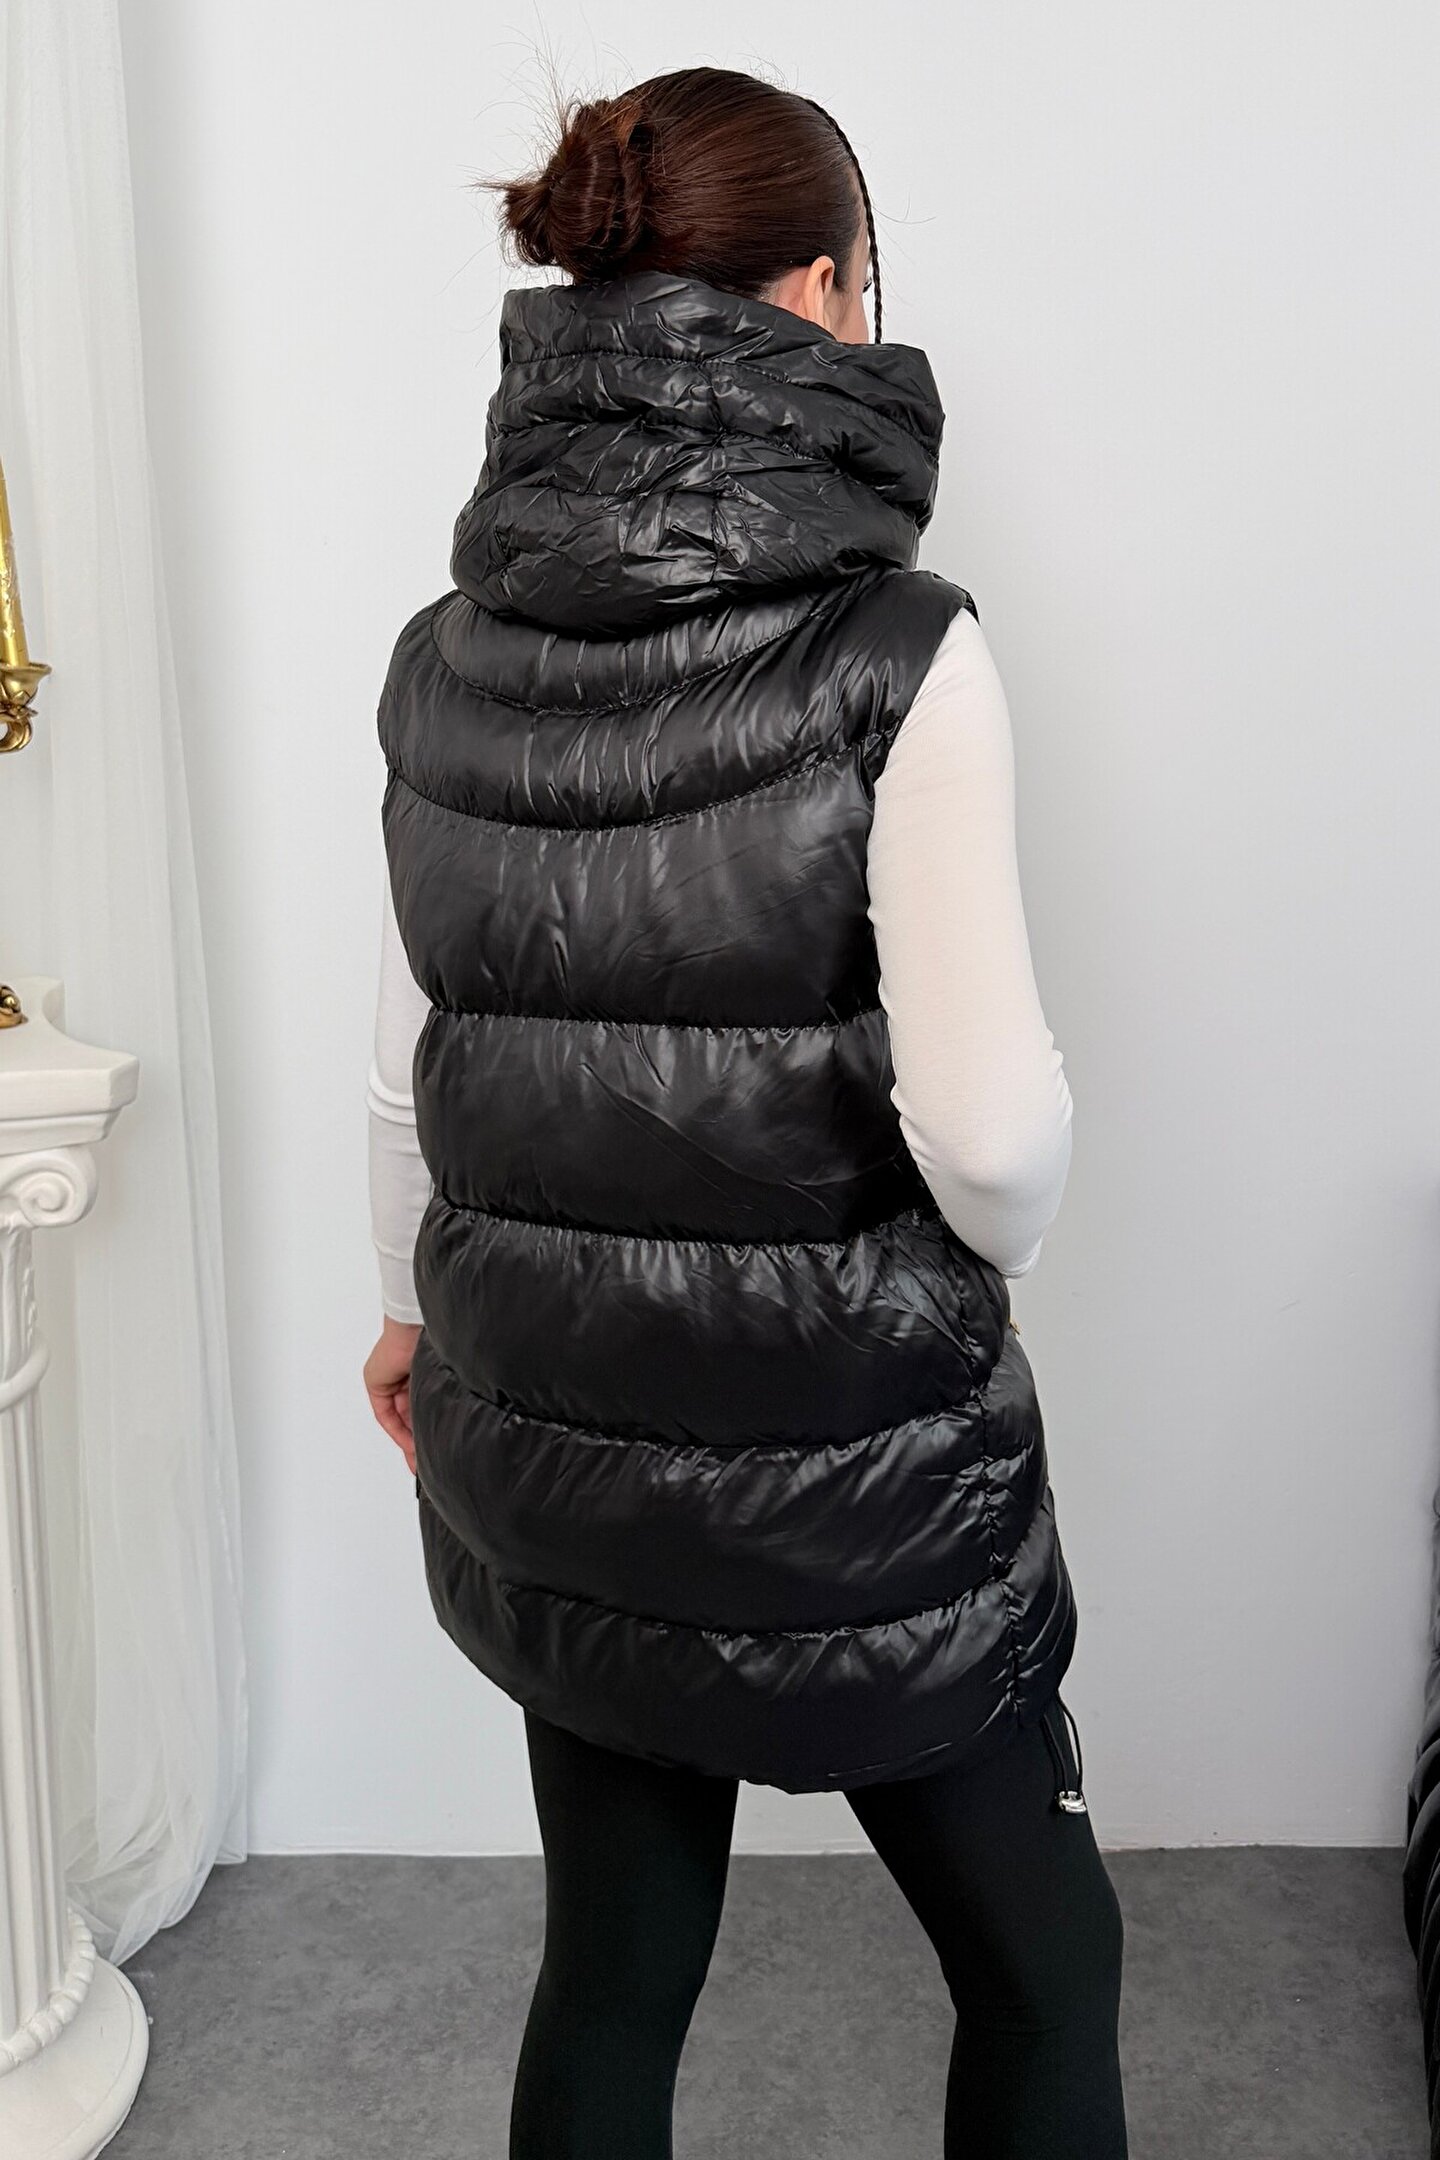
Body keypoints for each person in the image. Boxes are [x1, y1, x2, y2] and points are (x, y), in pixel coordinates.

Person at [362, 63, 1128, 2159]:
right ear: (813, 290)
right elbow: (994, 1142)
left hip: (561, 1438)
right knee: (1045, 1971)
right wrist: (1000, 1247)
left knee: (613, 1976)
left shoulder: (447, 649)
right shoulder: (900, 652)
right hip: (856, 1469)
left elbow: (405, 1046)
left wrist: (411, 1312)